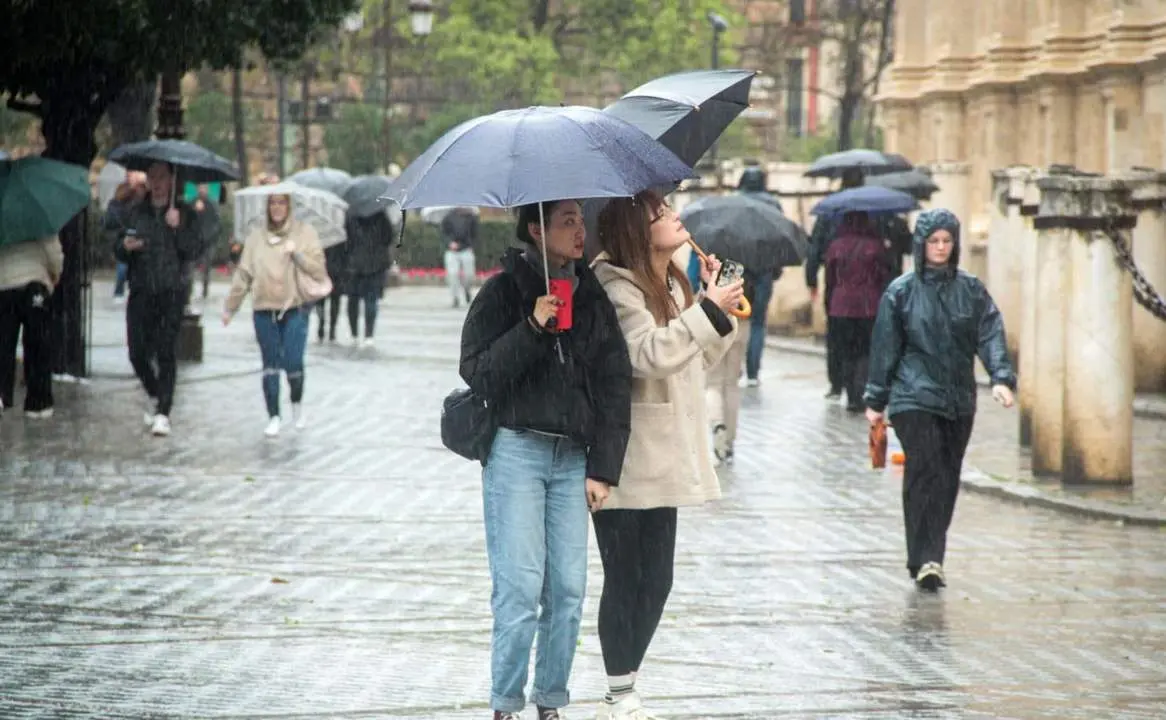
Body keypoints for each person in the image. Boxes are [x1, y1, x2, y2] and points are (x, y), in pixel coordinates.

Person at [460, 199, 632, 720]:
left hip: (571, 460)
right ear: (536, 230)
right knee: (518, 589)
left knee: (568, 592)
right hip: (516, 452)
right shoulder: (502, 290)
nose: (581, 231)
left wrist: (604, 467)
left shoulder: (590, 294)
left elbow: (614, 380)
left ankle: (551, 702)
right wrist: (533, 327)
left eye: (581, 221)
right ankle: (506, 704)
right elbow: (477, 371)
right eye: (567, 222)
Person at [591, 190, 741, 720]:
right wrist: (704, 312)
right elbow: (646, 355)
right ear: (637, 228)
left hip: (670, 449)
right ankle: (620, 692)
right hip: (626, 455)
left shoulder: (671, 277)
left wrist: (711, 301)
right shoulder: (614, 284)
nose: (676, 217)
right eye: (661, 213)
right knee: (625, 575)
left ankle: (625, 684)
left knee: (658, 578)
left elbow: (700, 352)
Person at [864, 208, 1015, 591]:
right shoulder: (901, 292)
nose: (941, 248)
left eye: (947, 241)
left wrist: (1000, 377)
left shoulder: (971, 289)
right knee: (924, 467)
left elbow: (990, 332)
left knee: (947, 476)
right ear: (921, 244)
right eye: (934, 241)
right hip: (913, 395)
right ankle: (924, 554)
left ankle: (932, 556)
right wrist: (876, 398)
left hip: (959, 397)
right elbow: (885, 347)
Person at [108, 162, 215, 437]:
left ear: (171, 181)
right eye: (152, 176)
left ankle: (163, 412)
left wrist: (177, 227)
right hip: (142, 288)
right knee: (137, 352)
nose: (156, 182)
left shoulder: (184, 213)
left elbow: (194, 249)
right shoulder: (136, 212)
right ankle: (157, 394)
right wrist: (125, 247)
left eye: (162, 177)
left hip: (171, 290)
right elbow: (119, 247)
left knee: (166, 351)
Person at [223, 192, 328, 438]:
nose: (277, 207)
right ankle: (273, 416)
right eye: (273, 202)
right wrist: (231, 306)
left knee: (292, 362)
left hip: (295, 308)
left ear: (290, 206)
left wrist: (298, 255)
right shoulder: (256, 238)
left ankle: (297, 404)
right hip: (264, 309)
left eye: (282, 202)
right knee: (270, 365)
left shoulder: (305, 233)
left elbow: (319, 270)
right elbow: (244, 274)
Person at [825, 211, 894, 412]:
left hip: (840, 305)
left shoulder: (835, 247)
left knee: (846, 351)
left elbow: (830, 279)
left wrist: (829, 303)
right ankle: (861, 390)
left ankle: (851, 395)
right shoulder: (875, 247)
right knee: (865, 351)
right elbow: (884, 276)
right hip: (868, 305)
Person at [0, 235, 63, 418]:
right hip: (34, 284)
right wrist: (55, 272)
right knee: (38, 344)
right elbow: (54, 252)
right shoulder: (37, 221)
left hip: (4, 285)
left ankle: (3, 393)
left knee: (4, 344)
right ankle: (39, 402)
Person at [342, 211, 393, 347]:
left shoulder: (351, 215)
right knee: (371, 299)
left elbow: (346, 240)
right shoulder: (381, 215)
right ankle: (369, 335)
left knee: (353, 300)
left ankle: (354, 334)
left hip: (354, 264)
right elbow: (388, 237)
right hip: (374, 263)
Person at [104, 172, 148, 304]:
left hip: (139, 235)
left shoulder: (145, 194)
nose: (131, 177)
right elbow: (113, 216)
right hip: (126, 235)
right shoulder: (123, 194)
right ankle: (119, 292)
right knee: (122, 267)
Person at [443, 206, 479, 308]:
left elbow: (475, 234)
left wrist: (471, 245)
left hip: (466, 249)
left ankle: (467, 290)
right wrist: (449, 243)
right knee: (452, 274)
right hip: (452, 251)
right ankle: (455, 297)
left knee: (469, 274)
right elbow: (443, 233)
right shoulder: (448, 217)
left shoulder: (472, 218)